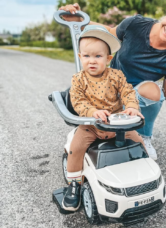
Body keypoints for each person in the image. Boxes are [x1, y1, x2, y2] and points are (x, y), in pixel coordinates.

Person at [60, 0, 166, 160]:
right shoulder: (135, 24)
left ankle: (143, 136)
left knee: (154, 90)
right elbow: (108, 32)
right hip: (107, 90)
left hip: (134, 101)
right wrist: (80, 21)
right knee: (73, 101)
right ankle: (90, 129)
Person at [62, 25, 145, 211]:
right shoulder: (78, 80)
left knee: (138, 141)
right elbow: (78, 102)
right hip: (91, 125)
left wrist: (131, 106)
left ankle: (142, 172)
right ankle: (74, 183)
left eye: (98, 56)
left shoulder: (116, 76)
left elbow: (127, 92)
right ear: (80, 57)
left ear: (108, 59)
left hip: (117, 125)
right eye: (87, 56)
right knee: (75, 149)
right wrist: (92, 112)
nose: (92, 61)